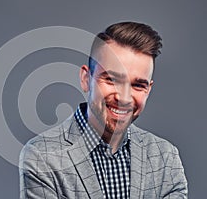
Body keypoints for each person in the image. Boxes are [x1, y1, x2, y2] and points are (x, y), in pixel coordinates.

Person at [19, 21, 188, 198]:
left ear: (148, 89)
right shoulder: (42, 156)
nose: (124, 98)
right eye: (112, 80)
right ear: (86, 79)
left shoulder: (165, 156)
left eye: (138, 85)